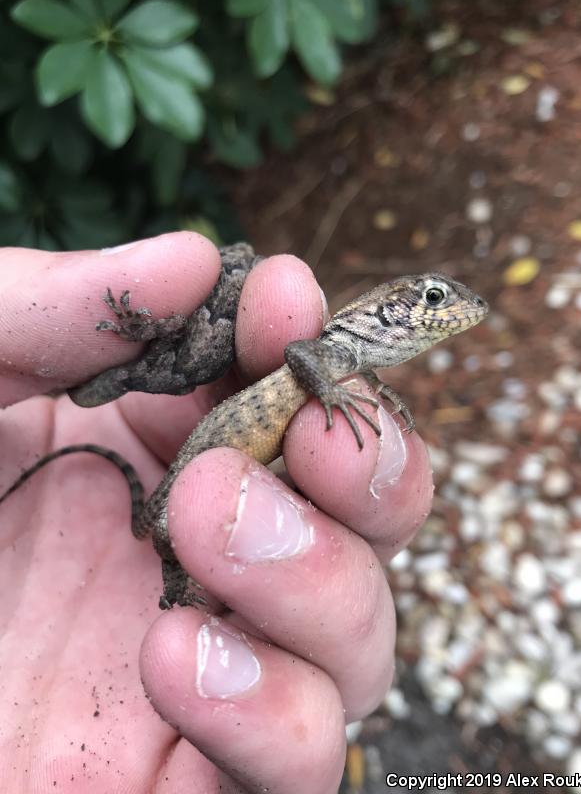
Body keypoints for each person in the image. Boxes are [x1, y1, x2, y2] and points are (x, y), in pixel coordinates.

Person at [0, 232, 433, 793]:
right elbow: (300, 355)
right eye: (429, 299)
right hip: (187, 491)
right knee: (175, 528)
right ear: (385, 307)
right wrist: (331, 394)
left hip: (199, 486)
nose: (437, 310)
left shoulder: (349, 361)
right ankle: (176, 581)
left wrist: (367, 388)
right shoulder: (326, 353)